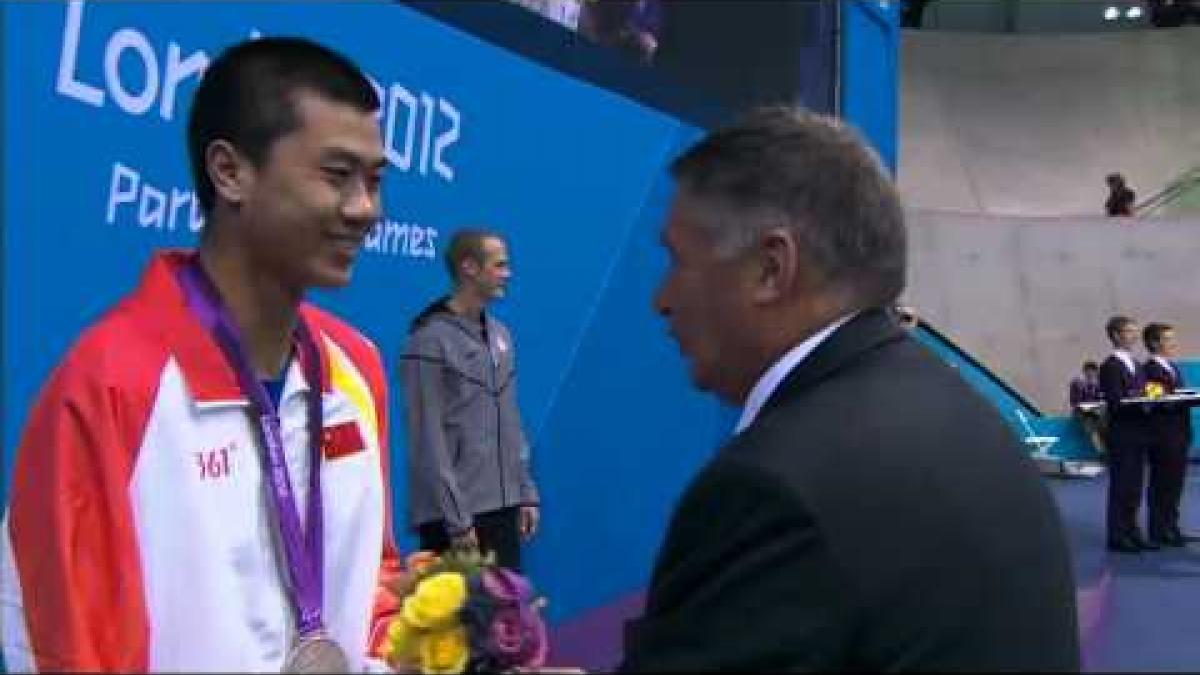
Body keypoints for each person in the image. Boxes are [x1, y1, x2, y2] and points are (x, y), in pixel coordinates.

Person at [620, 106, 1080, 671]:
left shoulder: (771, 488)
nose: (662, 299)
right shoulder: (957, 411)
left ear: (770, 269)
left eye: (677, 262)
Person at [0, 37, 404, 671]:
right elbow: (63, 648)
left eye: (375, 181)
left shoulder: (356, 368)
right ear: (230, 171)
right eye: (337, 175)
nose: (364, 209)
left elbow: (372, 585)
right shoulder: (108, 386)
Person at [399, 229, 540, 571]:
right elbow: (427, 438)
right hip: (457, 521)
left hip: (503, 508)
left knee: (507, 621)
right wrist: (457, 519)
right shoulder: (428, 342)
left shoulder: (502, 336)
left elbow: (511, 421)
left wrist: (525, 491)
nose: (508, 273)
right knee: (459, 623)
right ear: (469, 268)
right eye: (500, 265)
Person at [1098, 315, 1156, 553]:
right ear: (1115, 336)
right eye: (1129, 332)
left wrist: (1151, 399)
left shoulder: (1137, 364)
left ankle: (1133, 532)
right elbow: (1115, 401)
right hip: (1122, 433)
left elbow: (1141, 391)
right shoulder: (1110, 366)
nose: (1134, 336)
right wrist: (1139, 400)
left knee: (1135, 486)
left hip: (1139, 432)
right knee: (1121, 486)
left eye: (1135, 331)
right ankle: (1117, 535)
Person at [1142, 322, 1193, 547]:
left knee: (1175, 484)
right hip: (1163, 436)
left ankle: (1171, 527)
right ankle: (1158, 529)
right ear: (1154, 343)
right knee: (1162, 483)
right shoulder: (1150, 369)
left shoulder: (1171, 367)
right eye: (1168, 339)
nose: (1173, 343)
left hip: (1179, 433)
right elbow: (1157, 399)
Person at [1069, 360, 1108, 454]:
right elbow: (1074, 402)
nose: (1091, 375)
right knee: (1090, 422)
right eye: (1088, 372)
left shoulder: (1100, 383)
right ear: (1084, 372)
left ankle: (1105, 448)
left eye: (1093, 372)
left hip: (1098, 412)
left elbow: (1103, 399)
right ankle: (1097, 449)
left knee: (1104, 420)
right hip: (1083, 413)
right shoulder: (1077, 383)